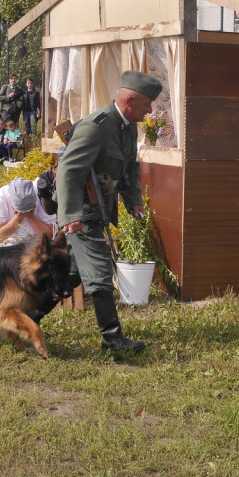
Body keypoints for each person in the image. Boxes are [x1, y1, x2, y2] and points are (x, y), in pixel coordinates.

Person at [56, 69, 163, 352]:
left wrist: (133, 201)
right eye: (147, 104)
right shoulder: (96, 126)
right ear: (129, 100)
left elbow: (129, 168)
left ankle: (24, 316)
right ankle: (112, 338)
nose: (150, 110)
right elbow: (68, 170)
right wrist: (71, 215)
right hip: (82, 212)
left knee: (68, 276)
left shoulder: (127, 127)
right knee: (100, 274)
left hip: (99, 207)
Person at [0, 177, 57, 247]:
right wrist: (19, 216)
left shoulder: (42, 196)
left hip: (36, 245)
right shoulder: (1, 197)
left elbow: (49, 235)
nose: (25, 212)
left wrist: (31, 216)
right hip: (7, 246)